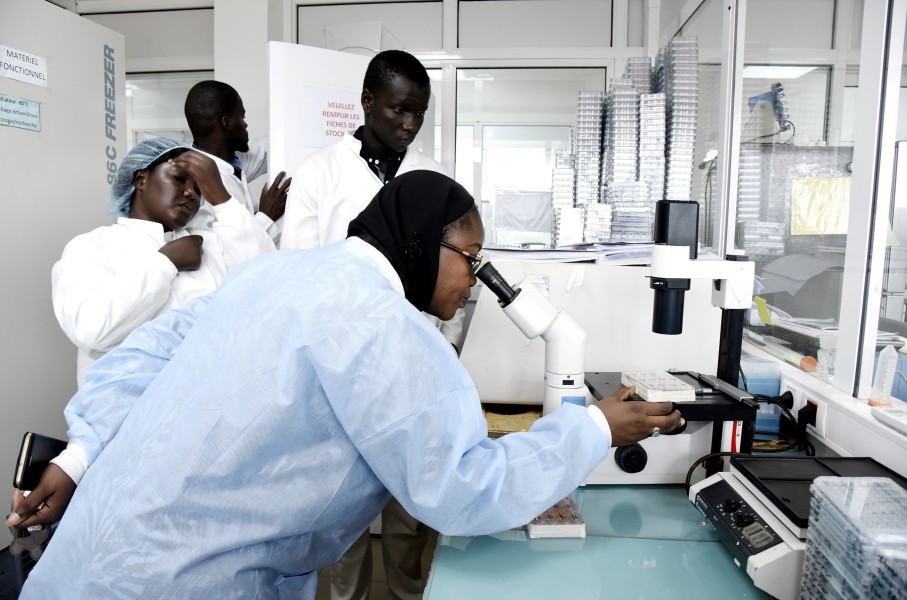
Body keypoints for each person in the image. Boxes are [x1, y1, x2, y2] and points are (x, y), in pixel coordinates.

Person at [11, 171, 683, 600]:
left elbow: (140, 357)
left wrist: (79, 455)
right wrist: (594, 428)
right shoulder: (383, 326)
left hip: (87, 559)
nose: (472, 280)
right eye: (469, 259)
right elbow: (461, 487)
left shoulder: (273, 273)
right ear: (422, 244)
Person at [280, 49, 461, 600]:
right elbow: (299, 280)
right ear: (366, 102)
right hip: (343, 375)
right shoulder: (318, 175)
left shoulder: (434, 179)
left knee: (414, 510)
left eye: (419, 114)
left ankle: (413, 592)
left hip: (413, 369)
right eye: (398, 109)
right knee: (343, 520)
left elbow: (452, 273)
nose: (409, 124)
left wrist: (441, 351)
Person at [47, 137, 275, 488]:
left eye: (199, 188)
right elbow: (91, 327)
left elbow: (265, 287)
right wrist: (165, 263)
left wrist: (224, 200)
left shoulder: (209, 243)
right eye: (180, 180)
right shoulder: (94, 247)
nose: (191, 195)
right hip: (126, 440)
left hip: (213, 439)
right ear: (140, 179)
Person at [184, 80, 292, 246]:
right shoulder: (194, 189)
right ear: (226, 123)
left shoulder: (230, 160)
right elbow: (228, 253)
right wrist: (266, 216)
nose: (245, 123)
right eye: (242, 117)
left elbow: (270, 146)